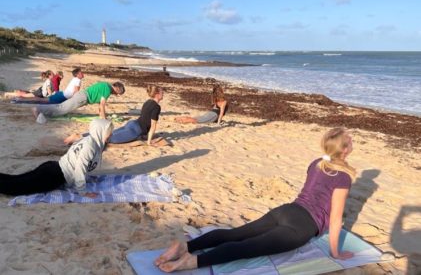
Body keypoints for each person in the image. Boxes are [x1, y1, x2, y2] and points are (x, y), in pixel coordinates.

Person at [154, 127, 356, 272]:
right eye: (351, 141)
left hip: (286, 210)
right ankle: (191, 262)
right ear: (344, 150)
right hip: (302, 226)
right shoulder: (343, 177)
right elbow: (336, 217)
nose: (353, 143)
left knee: (237, 234)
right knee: (248, 247)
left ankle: (186, 247)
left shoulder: (317, 163)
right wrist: (335, 252)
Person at [0, 119, 113, 197]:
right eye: (109, 132)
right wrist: (83, 192)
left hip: (52, 168)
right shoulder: (91, 145)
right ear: (101, 131)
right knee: (17, 187)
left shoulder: (89, 140)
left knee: (17, 180)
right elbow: (80, 167)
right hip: (54, 176)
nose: (110, 135)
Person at [64, 85, 163, 146]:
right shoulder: (156, 107)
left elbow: (145, 119)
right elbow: (152, 126)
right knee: (107, 139)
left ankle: (81, 135)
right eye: (162, 92)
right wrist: (149, 142)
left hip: (132, 124)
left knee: (107, 134)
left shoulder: (147, 102)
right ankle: (79, 137)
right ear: (157, 94)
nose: (163, 94)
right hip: (135, 130)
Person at [32, 81, 125, 123]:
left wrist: (101, 115)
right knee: (61, 108)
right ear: (117, 89)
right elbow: (102, 105)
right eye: (118, 93)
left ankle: (44, 111)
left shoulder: (105, 84)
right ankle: (38, 108)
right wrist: (103, 119)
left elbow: (100, 105)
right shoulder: (108, 90)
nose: (116, 95)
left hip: (82, 95)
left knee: (62, 108)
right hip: (82, 97)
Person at [12, 68, 85, 104]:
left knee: (39, 99)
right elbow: (76, 92)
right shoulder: (78, 80)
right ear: (78, 74)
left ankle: (18, 98)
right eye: (81, 73)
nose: (83, 74)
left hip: (61, 94)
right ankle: (19, 99)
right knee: (40, 100)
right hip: (61, 96)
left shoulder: (75, 79)